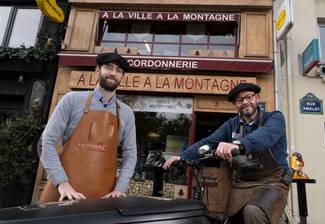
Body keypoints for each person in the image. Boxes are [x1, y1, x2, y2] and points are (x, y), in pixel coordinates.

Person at [163, 83, 291, 224]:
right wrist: (183, 156)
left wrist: (237, 145)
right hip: (243, 183)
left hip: (272, 182)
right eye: (239, 100)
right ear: (235, 105)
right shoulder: (231, 125)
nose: (245, 102)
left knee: (252, 211)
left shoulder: (274, 118)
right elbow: (209, 142)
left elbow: (265, 136)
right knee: (231, 219)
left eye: (249, 97)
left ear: (257, 98)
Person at [39, 52, 137, 203]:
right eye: (109, 67)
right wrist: (61, 182)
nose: (113, 73)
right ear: (97, 70)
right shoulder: (72, 100)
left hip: (103, 198)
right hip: (64, 194)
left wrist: (120, 188)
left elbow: (130, 155)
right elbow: (47, 141)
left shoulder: (127, 113)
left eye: (119, 71)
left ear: (122, 77)